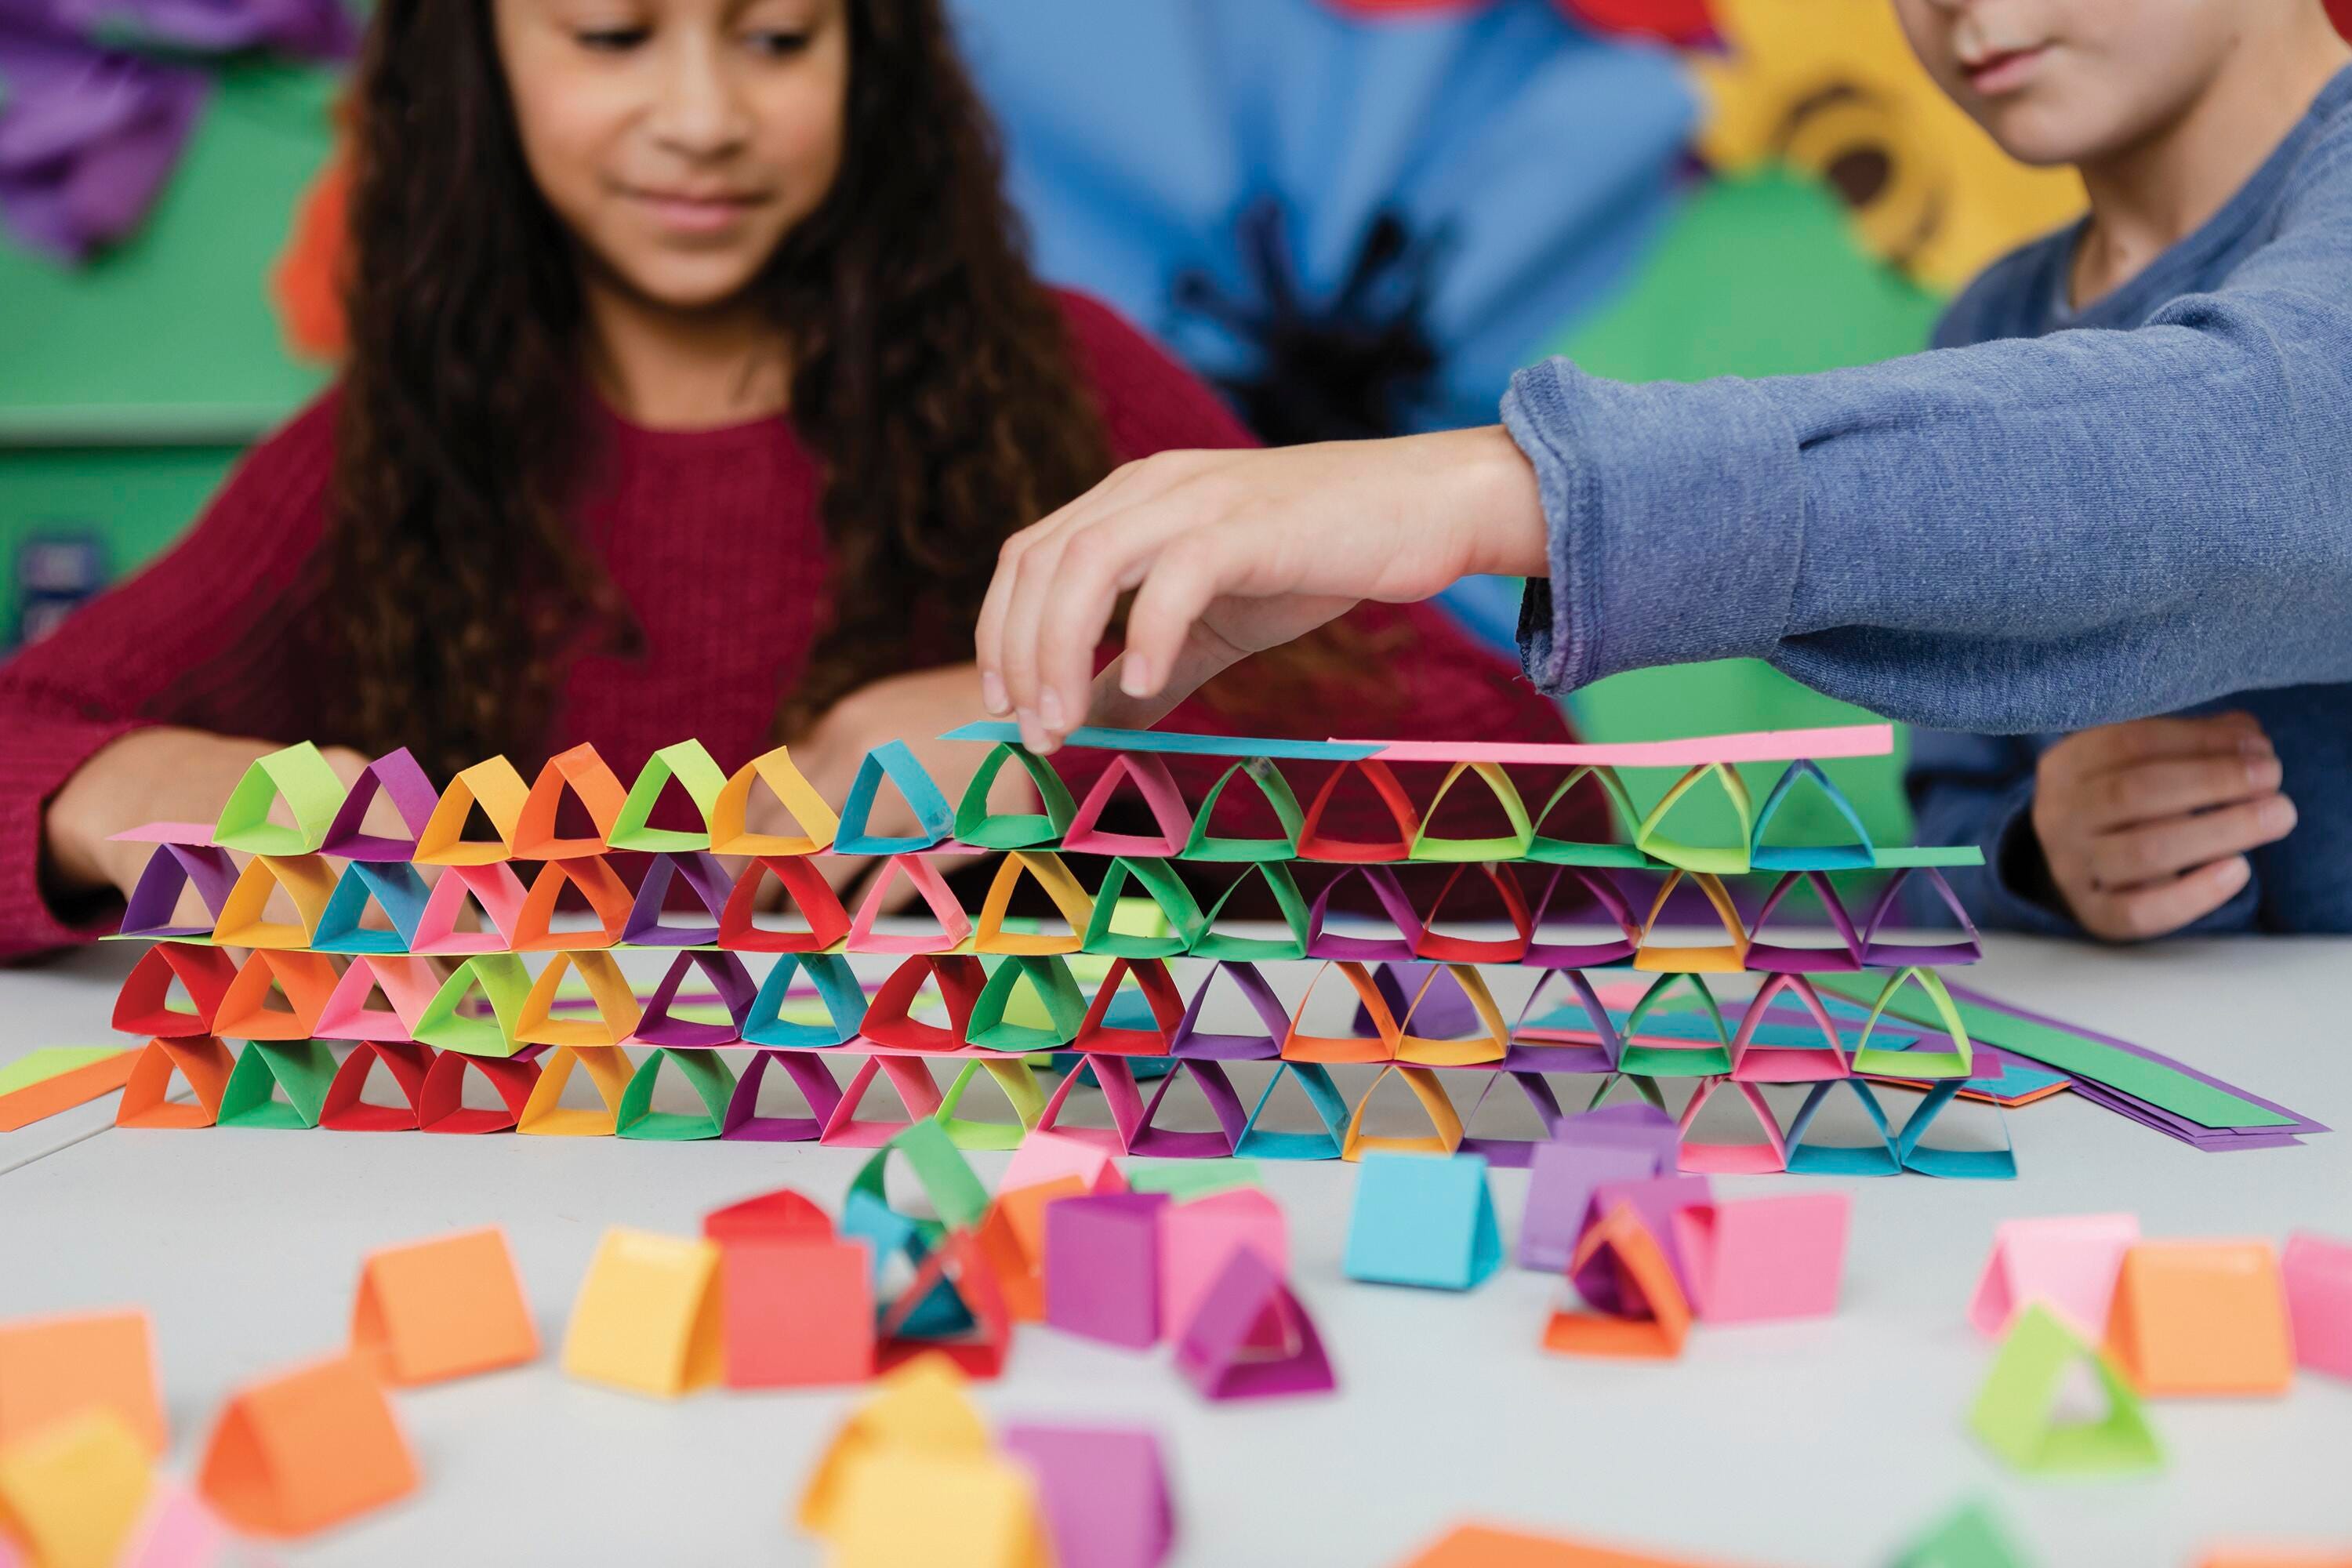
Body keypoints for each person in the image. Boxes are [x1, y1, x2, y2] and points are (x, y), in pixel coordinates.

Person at [0, 0, 1585, 962]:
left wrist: (1077, 737)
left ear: (866, 61)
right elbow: (32, 738)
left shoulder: (1060, 384)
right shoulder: (382, 461)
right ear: (480, 57)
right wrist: (120, 793)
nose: (703, 120)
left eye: (775, 38)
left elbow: (1533, 783)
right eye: (613, 35)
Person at [976, 0, 2352, 941]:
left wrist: (1494, 493)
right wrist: (2047, 850)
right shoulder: (1997, 319)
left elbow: (2268, 443)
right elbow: (1962, 795)